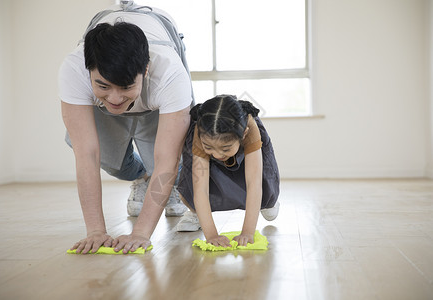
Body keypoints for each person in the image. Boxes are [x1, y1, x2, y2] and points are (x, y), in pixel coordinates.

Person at [58, 2, 192, 254]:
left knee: (175, 163)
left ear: (146, 70)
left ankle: (167, 190)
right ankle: (142, 178)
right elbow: (87, 154)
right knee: (112, 163)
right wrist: (96, 231)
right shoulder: (74, 69)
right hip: (112, 87)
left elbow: (167, 162)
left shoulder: (170, 75)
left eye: (126, 87)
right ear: (88, 72)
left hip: (157, 85)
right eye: (104, 86)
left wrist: (141, 232)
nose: (116, 98)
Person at [176, 94, 280, 247]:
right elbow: (201, 190)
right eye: (209, 148)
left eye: (225, 148)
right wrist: (211, 235)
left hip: (249, 160)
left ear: (243, 134)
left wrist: (247, 232)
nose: (217, 155)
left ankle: (267, 203)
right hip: (205, 153)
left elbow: (254, 183)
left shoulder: (249, 129)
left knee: (264, 189)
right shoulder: (202, 133)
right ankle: (197, 214)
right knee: (191, 186)